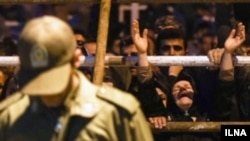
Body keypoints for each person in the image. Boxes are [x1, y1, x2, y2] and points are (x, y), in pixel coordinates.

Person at [0, 15, 154, 141]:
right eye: (36, 77)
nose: (46, 91)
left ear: (76, 59)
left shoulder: (118, 113)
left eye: (53, 76)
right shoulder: (10, 115)